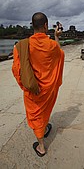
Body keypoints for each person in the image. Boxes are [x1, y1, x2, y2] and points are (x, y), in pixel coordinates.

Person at [12, 12, 64, 157]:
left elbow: (16, 69)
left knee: (36, 116)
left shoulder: (20, 46)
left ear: (32, 25)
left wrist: (26, 86)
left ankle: (41, 147)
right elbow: (60, 55)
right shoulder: (52, 45)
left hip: (32, 90)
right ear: (46, 25)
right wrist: (57, 37)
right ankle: (43, 135)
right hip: (48, 89)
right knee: (45, 110)